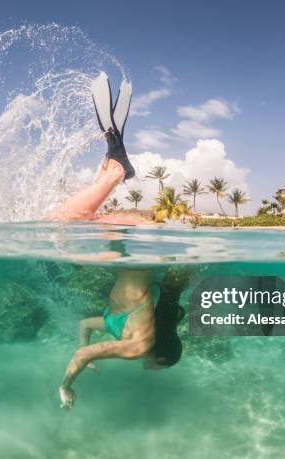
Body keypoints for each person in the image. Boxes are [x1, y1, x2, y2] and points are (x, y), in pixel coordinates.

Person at [44, 72, 185, 409]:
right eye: (158, 369)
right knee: (58, 223)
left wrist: (89, 355)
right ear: (160, 360)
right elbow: (80, 352)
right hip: (132, 242)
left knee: (63, 221)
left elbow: (84, 329)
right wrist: (66, 385)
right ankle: (117, 169)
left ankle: (113, 159)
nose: (152, 371)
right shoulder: (136, 346)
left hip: (123, 249)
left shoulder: (123, 331)